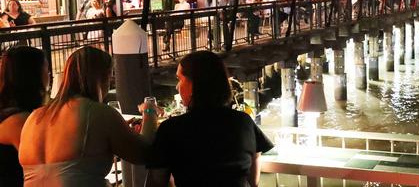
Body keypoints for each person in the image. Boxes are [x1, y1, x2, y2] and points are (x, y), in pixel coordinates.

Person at [19, 47, 158, 187]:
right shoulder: (98, 112)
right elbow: (143, 152)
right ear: (101, 78)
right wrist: (150, 110)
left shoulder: (34, 117)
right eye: (109, 78)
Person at [145, 51, 273, 187]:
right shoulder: (243, 122)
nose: (177, 87)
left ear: (195, 84)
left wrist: (148, 113)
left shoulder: (172, 129)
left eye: (180, 79)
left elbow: (157, 181)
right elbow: (256, 157)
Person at [0, 47, 49, 187]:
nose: (49, 74)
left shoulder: (9, 111)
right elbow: (43, 167)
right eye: (46, 69)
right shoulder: (18, 121)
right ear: (33, 74)